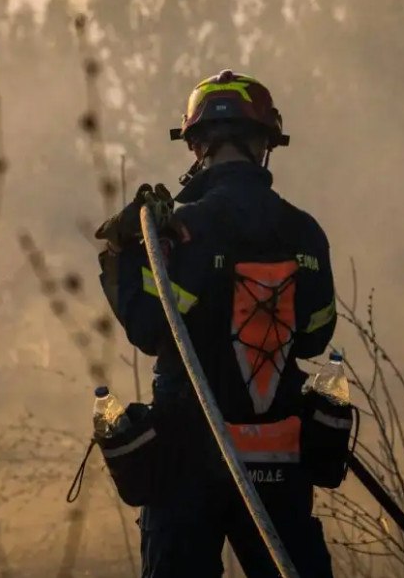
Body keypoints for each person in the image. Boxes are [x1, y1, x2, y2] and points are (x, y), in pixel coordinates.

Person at [95, 70, 338, 577]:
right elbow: (316, 333)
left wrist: (124, 257)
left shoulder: (184, 231)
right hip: (278, 463)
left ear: (197, 143)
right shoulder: (305, 232)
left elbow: (149, 330)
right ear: (264, 143)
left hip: (188, 464)